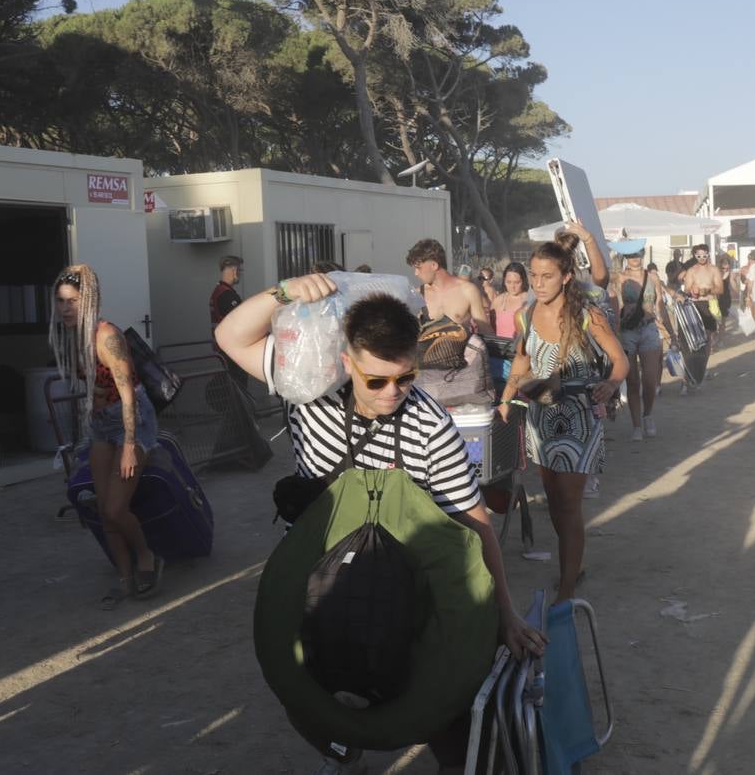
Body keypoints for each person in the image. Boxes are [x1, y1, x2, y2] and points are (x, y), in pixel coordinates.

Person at [214, 274, 545, 774]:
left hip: (409, 585)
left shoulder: (431, 424)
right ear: (347, 363)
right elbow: (229, 337)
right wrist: (284, 293)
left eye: (406, 378)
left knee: (446, 713)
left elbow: (473, 522)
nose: (393, 393)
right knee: (309, 693)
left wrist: (504, 613)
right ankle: (346, 752)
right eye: (376, 380)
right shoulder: (309, 391)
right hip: (320, 579)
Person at [500, 233, 628, 600]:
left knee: (569, 505)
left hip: (579, 421)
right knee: (554, 502)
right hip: (541, 418)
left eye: (547, 276)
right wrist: (507, 397)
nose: (538, 284)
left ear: (566, 276)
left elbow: (619, 360)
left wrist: (611, 383)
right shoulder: (526, 314)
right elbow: (522, 361)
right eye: (534, 276)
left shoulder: (588, 316)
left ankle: (568, 585)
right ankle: (573, 565)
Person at [51, 264, 163, 609]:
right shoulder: (71, 336)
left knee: (116, 507)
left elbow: (128, 394)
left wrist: (130, 445)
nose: (66, 308)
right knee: (102, 508)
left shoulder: (106, 336)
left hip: (132, 420)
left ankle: (148, 557)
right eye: (61, 301)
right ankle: (125, 580)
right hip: (100, 423)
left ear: (88, 302)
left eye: (72, 301)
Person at [616, 253, 665, 439]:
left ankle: (648, 414)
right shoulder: (619, 277)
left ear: (643, 254)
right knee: (633, 381)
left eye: (637, 254)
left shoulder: (652, 277)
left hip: (649, 328)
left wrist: (669, 330)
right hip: (628, 331)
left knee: (650, 379)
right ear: (625, 257)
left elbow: (659, 305)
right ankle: (637, 425)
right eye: (630, 255)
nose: (634, 258)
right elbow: (617, 305)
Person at [406, 239, 491, 333]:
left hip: (459, 346)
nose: (416, 273)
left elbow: (485, 330)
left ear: (434, 265)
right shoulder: (418, 294)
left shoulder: (468, 291)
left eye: (418, 268)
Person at [210, 255, 248, 388]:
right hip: (231, 348)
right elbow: (240, 321)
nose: (240, 274)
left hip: (224, 347)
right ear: (234, 270)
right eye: (240, 271)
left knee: (233, 384)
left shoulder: (219, 291)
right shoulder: (226, 294)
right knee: (238, 386)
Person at [681, 243, 725, 341]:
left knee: (709, 334)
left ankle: (708, 351)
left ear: (708, 254)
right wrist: (693, 291)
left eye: (704, 255)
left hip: (710, 303)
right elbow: (686, 290)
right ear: (695, 255)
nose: (702, 258)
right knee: (697, 334)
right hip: (695, 304)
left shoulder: (714, 270)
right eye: (699, 256)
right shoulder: (691, 271)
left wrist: (708, 290)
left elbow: (720, 289)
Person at [715, 255, 737, 346]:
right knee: (715, 319)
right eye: (723, 265)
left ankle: (721, 339)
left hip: (725, 298)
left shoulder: (731, 274)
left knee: (723, 320)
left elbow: (733, 285)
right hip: (715, 297)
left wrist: (738, 293)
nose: (725, 267)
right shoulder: (716, 272)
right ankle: (715, 337)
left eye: (727, 265)